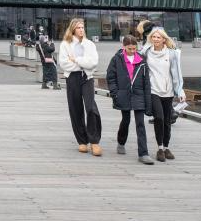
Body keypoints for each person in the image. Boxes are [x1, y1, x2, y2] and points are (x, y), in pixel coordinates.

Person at [106, 35, 154, 164]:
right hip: (123, 95)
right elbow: (110, 77)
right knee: (125, 120)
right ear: (124, 47)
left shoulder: (142, 61)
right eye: (130, 48)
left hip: (139, 95)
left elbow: (147, 82)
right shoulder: (116, 59)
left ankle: (143, 153)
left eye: (134, 48)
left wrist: (147, 101)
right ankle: (121, 142)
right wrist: (115, 93)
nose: (133, 51)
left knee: (140, 124)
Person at [58, 18, 102, 156]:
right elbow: (64, 64)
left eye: (83, 27)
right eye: (78, 28)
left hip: (86, 77)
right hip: (72, 78)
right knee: (75, 109)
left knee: (90, 108)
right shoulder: (65, 44)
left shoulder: (89, 44)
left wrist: (76, 60)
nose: (81, 30)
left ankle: (94, 141)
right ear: (72, 29)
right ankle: (82, 141)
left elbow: (93, 63)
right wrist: (83, 63)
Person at [139, 28, 183, 162]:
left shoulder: (172, 54)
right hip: (153, 90)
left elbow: (177, 74)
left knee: (167, 120)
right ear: (151, 39)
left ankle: (166, 147)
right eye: (154, 37)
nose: (156, 39)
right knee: (159, 118)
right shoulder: (146, 52)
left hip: (168, 91)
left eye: (159, 37)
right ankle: (159, 148)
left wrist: (180, 91)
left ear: (164, 39)